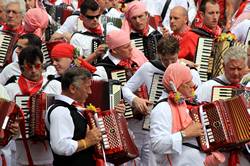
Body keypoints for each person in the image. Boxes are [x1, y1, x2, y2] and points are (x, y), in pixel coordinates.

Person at [150, 62, 225, 165]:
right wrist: (184, 134)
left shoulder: (183, 103)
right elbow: (157, 145)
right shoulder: (162, 108)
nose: (192, 85)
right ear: (176, 85)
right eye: (188, 82)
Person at [5, 46, 61, 166]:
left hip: (49, 156)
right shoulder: (11, 89)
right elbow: (2, 121)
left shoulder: (55, 85)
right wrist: (10, 125)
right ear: (21, 68)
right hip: (20, 155)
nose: (34, 71)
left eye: (37, 66)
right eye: (29, 67)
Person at [196, 46, 249, 165]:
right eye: (232, 68)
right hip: (216, 152)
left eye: (239, 69)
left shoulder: (246, 90)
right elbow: (194, 115)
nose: (236, 73)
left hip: (241, 153)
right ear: (224, 67)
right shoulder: (208, 87)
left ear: (245, 68)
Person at [45, 67, 102, 165]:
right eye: (87, 87)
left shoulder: (71, 109)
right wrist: (87, 141)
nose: (90, 92)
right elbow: (60, 146)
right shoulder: (60, 111)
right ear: (72, 88)